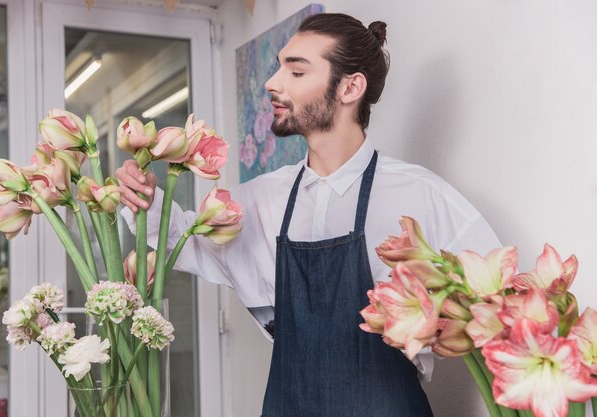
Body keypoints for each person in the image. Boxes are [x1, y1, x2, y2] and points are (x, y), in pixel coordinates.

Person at [117, 13, 501, 417]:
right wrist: (144, 197)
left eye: (296, 71)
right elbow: (185, 240)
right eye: (279, 66)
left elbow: (497, 299)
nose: (272, 83)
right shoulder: (263, 198)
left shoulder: (421, 194)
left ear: (350, 87)